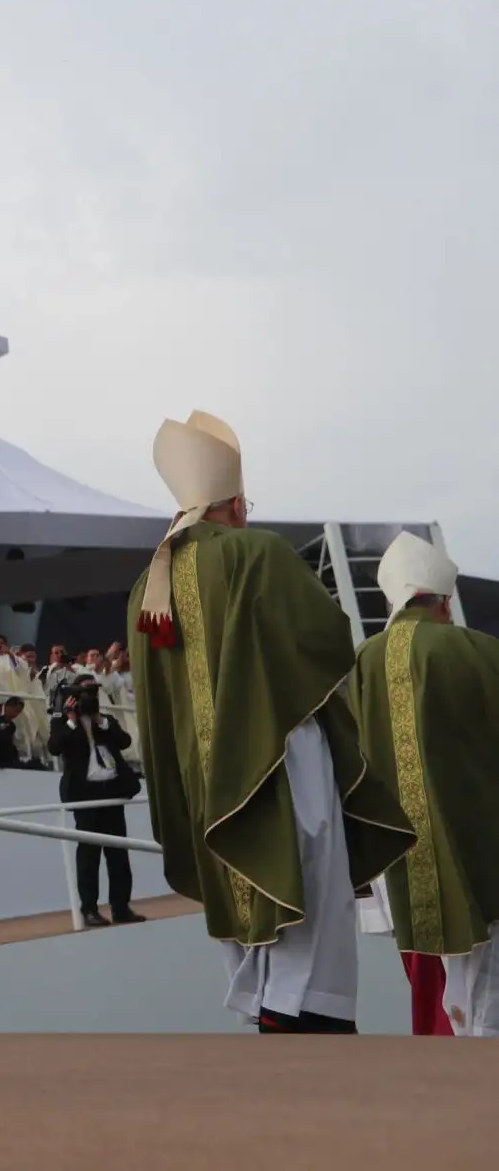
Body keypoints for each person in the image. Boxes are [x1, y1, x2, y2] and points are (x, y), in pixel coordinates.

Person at [128, 411, 411, 1034]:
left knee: (242, 866)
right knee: (311, 862)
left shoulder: (148, 585)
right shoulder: (256, 553)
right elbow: (326, 637)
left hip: (203, 772)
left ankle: (266, 1000)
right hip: (277, 749)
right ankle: (306, 1008)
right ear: (233, 503)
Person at [350, 533, 499, 1037]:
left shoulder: (363, 661)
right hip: (479, 850)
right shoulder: (478, 649)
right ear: (444, 601)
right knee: (486, 986)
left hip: (398, 860)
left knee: (432, 976)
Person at [47, 675, 145, 928]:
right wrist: (71, 720)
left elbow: (125, 742)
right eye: (85, 693)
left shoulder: (106, 720)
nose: (90, 698)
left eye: (93, 692)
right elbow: (55, 747)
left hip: (111, 792)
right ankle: (89, 909)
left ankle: (121, 907)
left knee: (119, 856)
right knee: (89, 857)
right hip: (86, 797)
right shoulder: (62, 721)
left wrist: (99, 721)